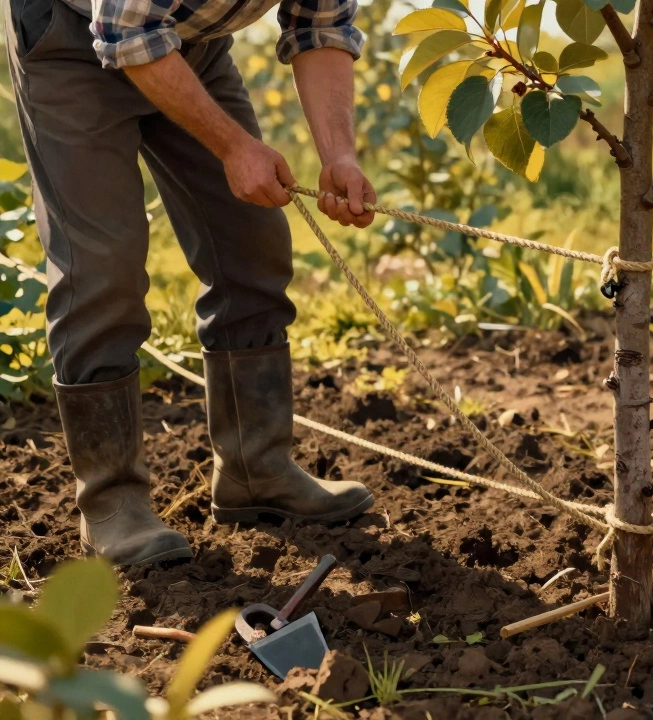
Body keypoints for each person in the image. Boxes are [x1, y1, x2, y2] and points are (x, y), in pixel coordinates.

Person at [5, 0, 379, 566]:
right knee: (103, 266)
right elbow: (125, 29)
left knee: (251, 243)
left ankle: (256, 469)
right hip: (70, 40)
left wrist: (340, 155)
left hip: (187, 45)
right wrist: (233, 147)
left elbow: (319, 27)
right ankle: (112, 503)